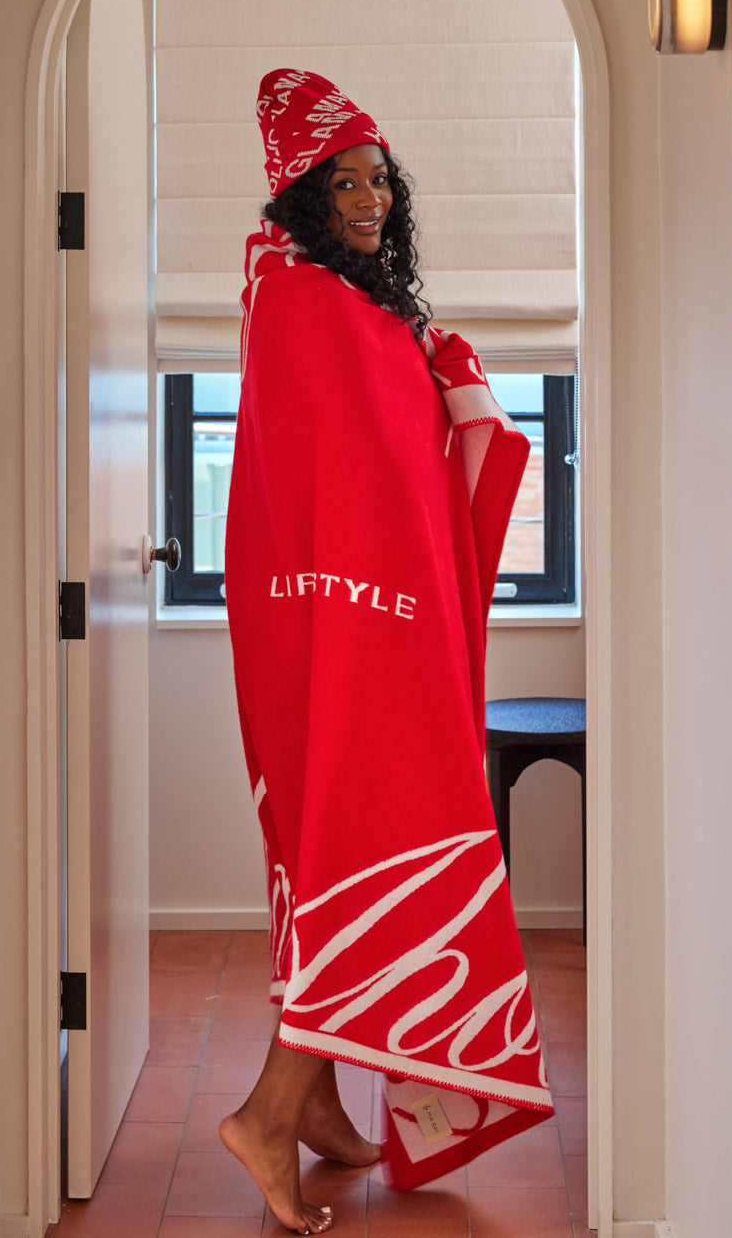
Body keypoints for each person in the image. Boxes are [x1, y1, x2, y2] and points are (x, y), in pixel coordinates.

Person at [220, 69, 553, 1235]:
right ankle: (268, 1113)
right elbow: (349, 485)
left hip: (371, 629)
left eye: (378, 182)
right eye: (344, 184)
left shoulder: (335, 300)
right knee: (374, 853)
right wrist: (445, 380)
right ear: (301, 199)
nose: (368, 201)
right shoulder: (310, 307)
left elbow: (397, 462)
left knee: (354, 868)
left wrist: (442, 373)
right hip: (350, 636)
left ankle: (305, 1103)